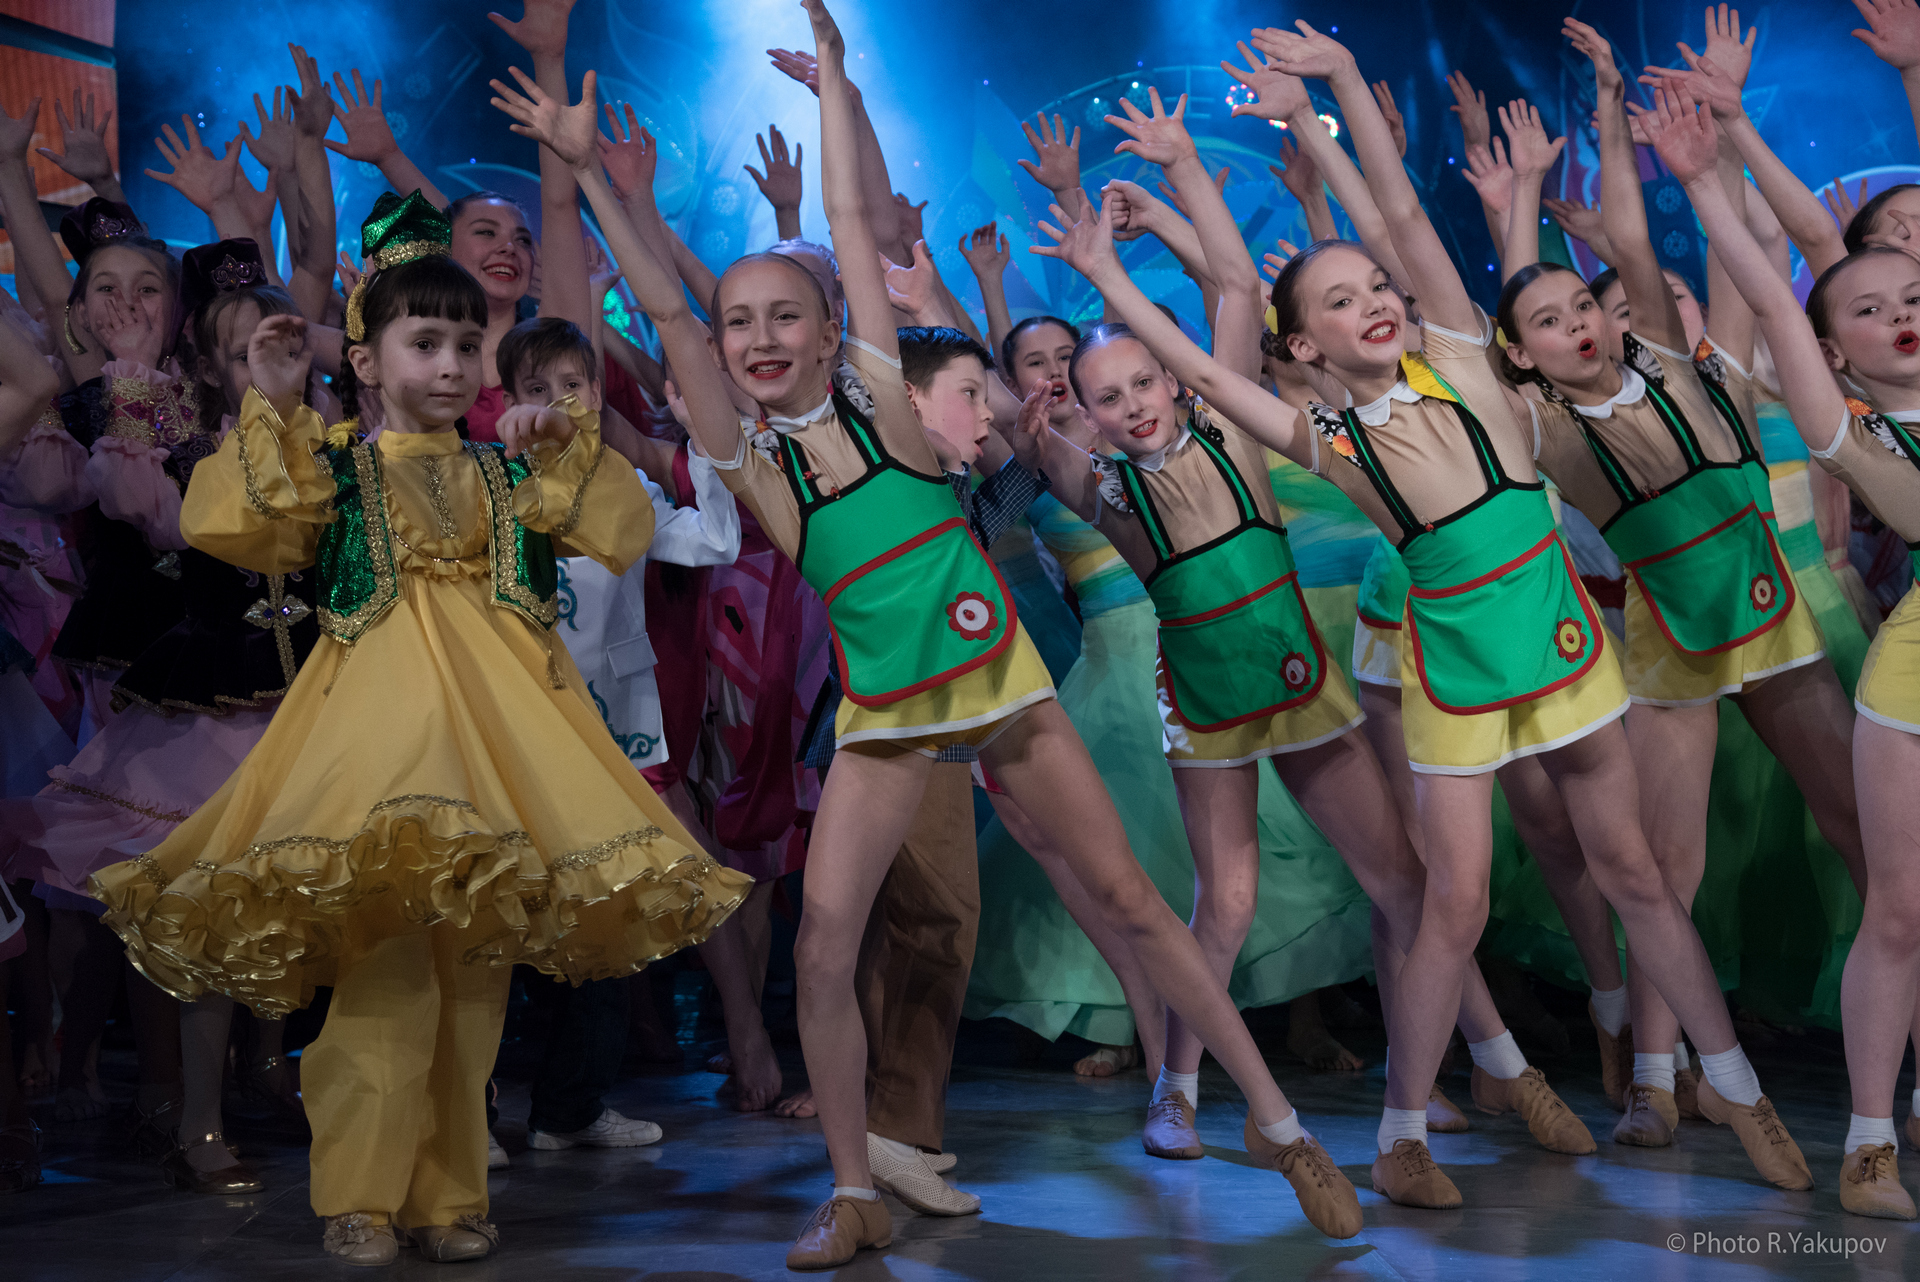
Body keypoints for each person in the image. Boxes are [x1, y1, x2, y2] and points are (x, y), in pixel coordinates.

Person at [488, 4, 1368, 1265]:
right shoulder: (750, 461)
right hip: (889, 719)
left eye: (784, 316)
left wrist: (838, 86)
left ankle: (1280, 1128)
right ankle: (853, 1188)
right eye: (740, 324)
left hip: (1004, 688)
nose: (759, 338)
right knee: (823, 948)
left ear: (827, 330)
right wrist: (587, 175)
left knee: (1131, 899)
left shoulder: (893, 410)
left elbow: (852, 220)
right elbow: (666, 314)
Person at [1033, 16, 1806, 1205]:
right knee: (1453, 899)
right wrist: (1105, 278)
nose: (1373, 303)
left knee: (1638, 872)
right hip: (1449, 668)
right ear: (1306, 342)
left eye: (1376, 288)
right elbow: (1206, 365)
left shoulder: (1468, 361)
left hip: (1561, 649)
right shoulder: (1322, 436)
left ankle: (1740, 1090)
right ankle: (1402, 1133)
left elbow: (1395, 212)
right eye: (1339, 302)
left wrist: (1335, 86)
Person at [87, 192, 752, 1265]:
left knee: (472, 977)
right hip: (381, 743)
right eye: (424, 342)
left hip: (496, 739)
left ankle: (448, 1196)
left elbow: (619, 529)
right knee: (388, 978)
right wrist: (269, 401)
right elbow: (235, 525)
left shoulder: (501, 466)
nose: (449, 365)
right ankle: (360, 1192)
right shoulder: (338, 462)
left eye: (464, 344)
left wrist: (564, 449)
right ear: (365, 358)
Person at [1493, 27, 1864, 1157]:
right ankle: (1656, 1078)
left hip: (1774, 617)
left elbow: (1640, 244)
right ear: (1524, 354)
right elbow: (1500, 320)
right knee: (1664, 867)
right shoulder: (1542, 429)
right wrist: (1517, 206)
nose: (1581, 324)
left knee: (1863, 832)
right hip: (1669, 640)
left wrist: (1616, 105)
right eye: (1551, 320)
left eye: (1587, 307)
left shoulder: (1674, 360)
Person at [1640, 71, 1920, 1221]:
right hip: (1908, 679)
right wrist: (1708, 183)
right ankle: (1868, 1145)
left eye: (1915, 294)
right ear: (1834, 350)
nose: (1900, 312)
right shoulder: (1852, 430)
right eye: (1868, 309)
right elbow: (1771, 282)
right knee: (1898, 910)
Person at [488, 315, 742, 1158]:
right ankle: (471, 1115)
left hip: (609, 734)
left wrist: (703, 447)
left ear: (597, 394)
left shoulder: (621, 482)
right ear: (507, 401)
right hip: (517, 732)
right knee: (500, 921)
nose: (558, 403)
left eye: (573, 385)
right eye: (537, 389)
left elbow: (712, 539)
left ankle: (569, 1109)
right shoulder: (491, 486)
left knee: (601, 917)